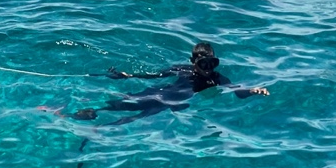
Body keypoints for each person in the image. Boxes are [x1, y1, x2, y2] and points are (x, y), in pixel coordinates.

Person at [73, 42, 268, 126]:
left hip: (167, 103)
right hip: (158, 94)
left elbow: (238, 92)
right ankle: (87, 113)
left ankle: (100, 127)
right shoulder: (181, 69)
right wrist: (128, 76)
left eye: (212, 63)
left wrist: (252, 90)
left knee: (133, 118)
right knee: (120, 105)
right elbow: (154, 75)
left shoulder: (218, 79)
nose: (208, 68)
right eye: (203, 64)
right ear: (193, 61)